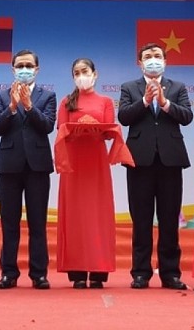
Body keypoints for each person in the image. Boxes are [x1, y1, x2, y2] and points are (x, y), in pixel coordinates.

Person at [118, 42, 193, 290]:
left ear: (165, 61)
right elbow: (124, 117)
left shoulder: (178, 87)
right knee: (141, 219)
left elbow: (187, 116)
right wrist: (144, 100)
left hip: (170, 159)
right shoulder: (129, 87)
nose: (153, 60)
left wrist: (164, 103)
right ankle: (140, 273)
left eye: (157, 56)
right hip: (139, 160)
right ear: (139, 62)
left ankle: (170, 273)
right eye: (148, 57)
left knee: (169, 219)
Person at [53, 58, 133, 289]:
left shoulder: (106, 101)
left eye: (85, 71)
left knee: (98, 214)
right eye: (76, 73)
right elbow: (61, 131)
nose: (81, 76)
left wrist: (94, 128)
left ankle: (98, 272)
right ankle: (77, 272)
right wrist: (78, 130)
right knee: (75, 214)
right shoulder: (67, 101)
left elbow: (110, 131)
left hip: (96, 163)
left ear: (95, 74)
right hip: (74, 163)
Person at [0, 49, 57, 290]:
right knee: (9, 222)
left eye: (29, 65)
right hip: (9, 167)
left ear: (37, 69)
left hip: (38, 166)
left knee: (37, 223)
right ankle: (9, 272)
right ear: (13, 69)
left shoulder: (47, 95)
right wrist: (11, 107)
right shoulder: (1, 96)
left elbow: (48, 126)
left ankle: (39, 273)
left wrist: (29, 106)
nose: (24, 69)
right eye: (20, 66)